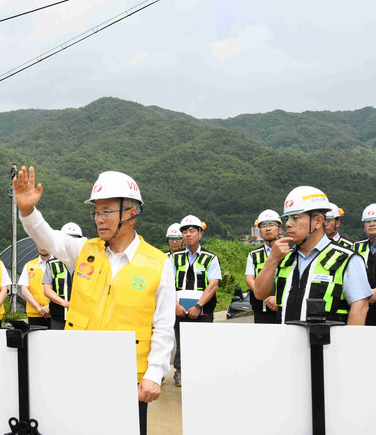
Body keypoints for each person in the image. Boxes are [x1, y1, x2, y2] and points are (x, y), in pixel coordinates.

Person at [14, 167, 175, 435]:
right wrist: (28, 211)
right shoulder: (83, 250)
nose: (99, 219)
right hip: (80, 369)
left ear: (131, 213)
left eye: (106, 211)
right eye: (96, 212)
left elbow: (164, 325)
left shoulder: (159, 263)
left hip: (129, 377)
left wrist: (154, 374)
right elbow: (48, 238)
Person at [254, 186, 371, 325]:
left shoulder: (347, 259)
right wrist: (273, 259)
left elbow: (360, 307)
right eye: (287, 219)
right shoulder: (285, 258)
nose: (288, 224)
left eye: (295, 218)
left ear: (318, 221)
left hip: (327, 339)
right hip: (287, 338)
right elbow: (260, 293)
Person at [170, 214, 221, 388]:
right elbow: (168, 283)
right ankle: (180, 371)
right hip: (180, 309)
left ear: (200, 233)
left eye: (192, 231)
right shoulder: (175, 258)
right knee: (180, 340)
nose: (188, 234)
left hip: (203, 309)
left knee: (202, 342)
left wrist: (198, 306)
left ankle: (202, 372)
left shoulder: (210, 258)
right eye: (185, 231)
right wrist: (175, 305)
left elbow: (213, 284)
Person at [42, 222, 82, 330]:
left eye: (75, 239)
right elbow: (47, 290)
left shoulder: (88, 263)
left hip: (81, 317)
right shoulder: (52, 264)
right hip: (58, 317)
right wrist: (64, 303)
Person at [245, 210, 281, 324]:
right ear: (259, 231)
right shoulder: (253, 254)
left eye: (272, 225)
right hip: (260, 307)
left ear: (280, 229)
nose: (268, 229)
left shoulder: (289, 252)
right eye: (264, 226)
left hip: (283, 306)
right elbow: (249, 278)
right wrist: (261, 293)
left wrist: (278, 298)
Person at [18, 247, 51, 328]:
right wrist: (38, 307)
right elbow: (24, 290)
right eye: (40, 243)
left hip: (55, 313)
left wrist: (50, 307)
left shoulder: (60, 264)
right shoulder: (29, 265)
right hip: (34, 313)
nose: (42, 246)